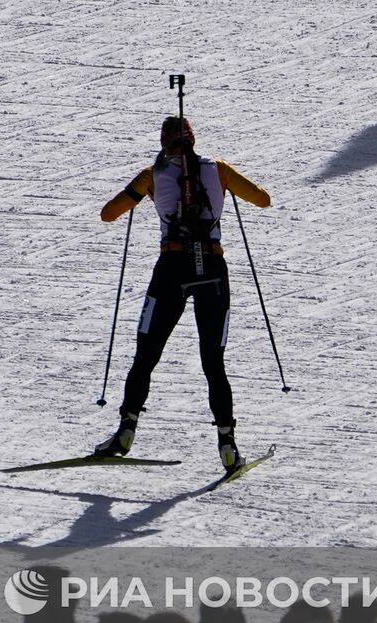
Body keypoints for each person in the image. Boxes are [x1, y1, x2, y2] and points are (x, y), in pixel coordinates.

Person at [95, 116, 272, 472]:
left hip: (171, 269)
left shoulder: (152, 175)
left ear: (164, 142)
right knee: (213, 361)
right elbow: (263, 200)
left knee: (146, 353)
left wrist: (144, 192)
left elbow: (108, 214)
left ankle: (126, 429)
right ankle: (227, 444)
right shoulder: (217, 169)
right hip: (212, 270)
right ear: (193, 140)